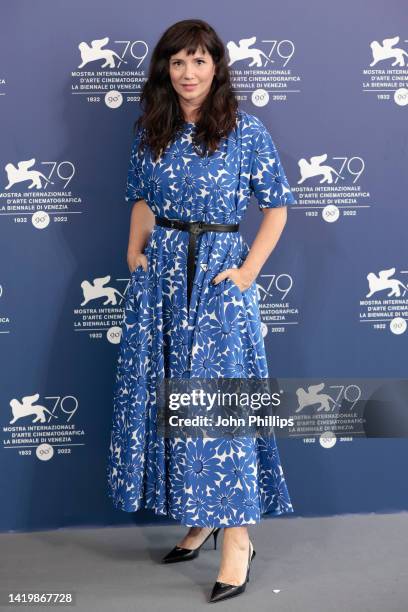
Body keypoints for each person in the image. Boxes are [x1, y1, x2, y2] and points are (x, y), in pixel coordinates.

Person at [106, 18, 297, 604]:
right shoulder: (151, 131)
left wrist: (245, 275)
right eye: (177, 62)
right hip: (159, 281)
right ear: (166, 69)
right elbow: (142, 200)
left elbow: (277, 209)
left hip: (216, 279)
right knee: (171, 401)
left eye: (199, 61)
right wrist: (133, 251)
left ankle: (236, 538)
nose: (188, 73)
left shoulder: (245, 130)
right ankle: (202, 517)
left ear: (217, 67)